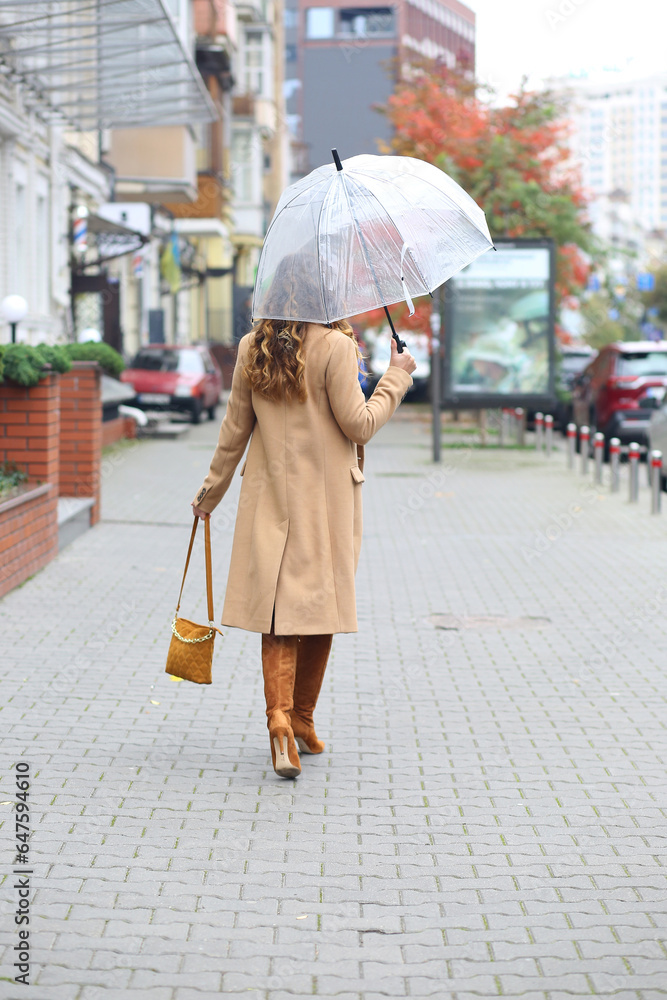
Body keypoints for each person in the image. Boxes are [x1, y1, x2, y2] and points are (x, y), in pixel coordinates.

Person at [191, 319, 416, 778]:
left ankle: (287, 721)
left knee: (277, 612)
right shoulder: (335, 346)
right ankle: (298, 718)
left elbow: (234, 430)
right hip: (324, 504)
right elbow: (360, 425)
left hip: (269, 499)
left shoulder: (252, 346)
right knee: (320, 606)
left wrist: (208, 495)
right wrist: (397, 375)